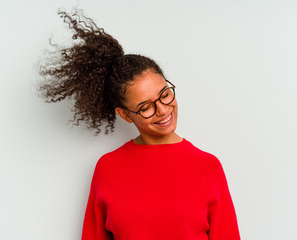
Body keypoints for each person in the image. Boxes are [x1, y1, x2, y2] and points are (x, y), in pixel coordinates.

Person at [36, 8, 241, 240]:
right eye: (145, 107)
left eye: (164, 94)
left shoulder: (208, 167)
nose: (163, 109)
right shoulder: (107, 168)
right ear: (125, 115)